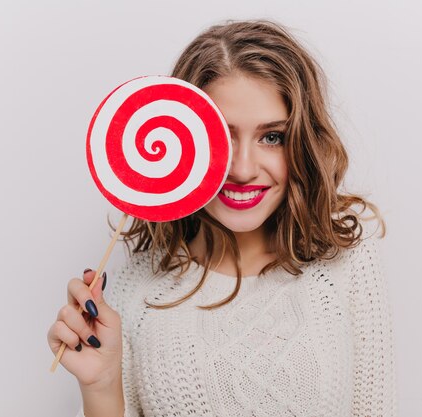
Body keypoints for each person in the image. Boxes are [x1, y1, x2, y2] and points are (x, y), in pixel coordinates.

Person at [47, 19, 397, 417]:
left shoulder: (347, 267)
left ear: (302, 143)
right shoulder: (136, 291)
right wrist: (101, 388)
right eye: (222, 137)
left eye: (272, 137)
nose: (244, 169)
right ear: (183, 142)